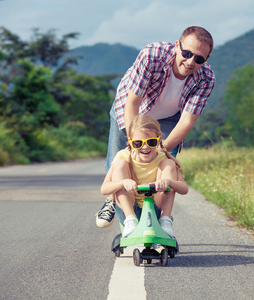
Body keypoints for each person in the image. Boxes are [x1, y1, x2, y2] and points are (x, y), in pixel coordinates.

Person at [96, 26, 215, 227]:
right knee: (120, 164)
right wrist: (134, 143)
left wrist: (161, 148)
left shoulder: (206, 79)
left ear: (207, 58)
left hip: (169, 119)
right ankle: (124, 220)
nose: (190, 62)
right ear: (177, 46)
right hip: (131, 110)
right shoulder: (152, 55)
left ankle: (157, 224)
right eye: (187, 53)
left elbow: (186, 121)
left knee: (164, 168)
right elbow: (132, 103)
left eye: (199, 59)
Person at [100, 114, 189, 237]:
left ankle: (165, 220)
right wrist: (123, 182)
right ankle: (130, 221)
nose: (145, 147)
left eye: (151, 142)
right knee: (120, 165)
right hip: (130, 209)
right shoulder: (123, 156)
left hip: (156, 209)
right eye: (138, 143)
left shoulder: (163, 157)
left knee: (168, 164)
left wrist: (169, 182)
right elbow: (104, 189)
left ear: (158, 140)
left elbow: (184, 189)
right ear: (130, 142)